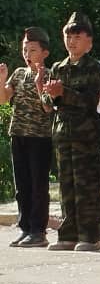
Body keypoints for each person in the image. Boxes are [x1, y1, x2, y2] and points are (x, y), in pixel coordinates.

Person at [40, 13, 100, 251]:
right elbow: (48, 102)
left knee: (86, 185)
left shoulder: (93, 67)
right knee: (66, 185)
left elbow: (94, 101)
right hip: (63, 134)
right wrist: (51, 94)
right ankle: (68, 234)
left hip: (85, 136)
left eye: (77, 37)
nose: (72, 41)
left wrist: (64, 93)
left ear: (89, 41)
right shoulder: (58, 67)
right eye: (68, 36)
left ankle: (90, 235)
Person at [0, 27, 53, 247]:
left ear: (44, 53)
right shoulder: (19, 73)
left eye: (32, 50)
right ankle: (25, 228)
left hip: (39, 136)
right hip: (18, 133)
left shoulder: (49, 74)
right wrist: (2, 79)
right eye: (24, 49)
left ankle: (38, 231)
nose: (27, 54)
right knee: (22, 185)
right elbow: (4, 98)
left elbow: (48, 107)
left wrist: (40, 84)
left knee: (38, 184)